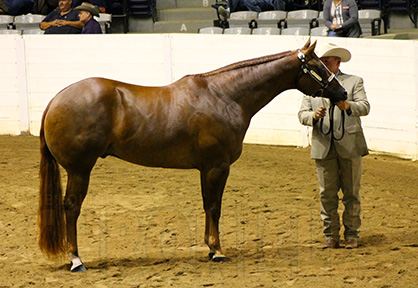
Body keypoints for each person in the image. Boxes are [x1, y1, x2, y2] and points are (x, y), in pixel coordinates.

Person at [298, 43, 370, 249]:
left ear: (338, 62)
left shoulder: (354, 81)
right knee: (326, 194)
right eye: (322, 61)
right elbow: (302, 114)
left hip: (350, 145)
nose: (323, 64)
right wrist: (313, 116)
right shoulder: (312, 85)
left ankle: (352, 234)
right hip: (323, 145)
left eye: (327, 61)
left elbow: (365, 107)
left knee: (351, 193)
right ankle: (330, 235)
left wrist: (348, 106)